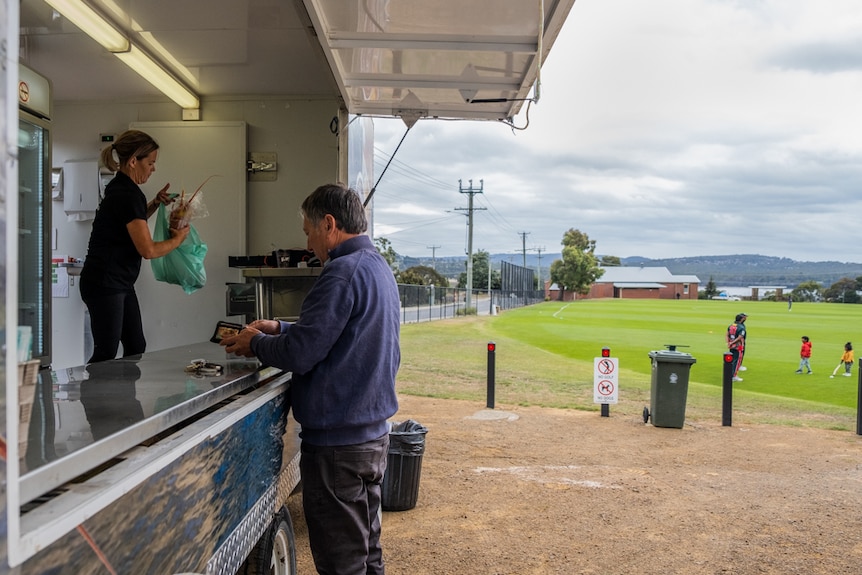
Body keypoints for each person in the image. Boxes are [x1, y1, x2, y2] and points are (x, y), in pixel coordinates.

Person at [220, 183, 400, 575]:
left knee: (342, 564)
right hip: (371, 439)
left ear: (329, 224)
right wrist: (281, 326)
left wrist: (257, 342)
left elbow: (302, 354)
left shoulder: (341, 271)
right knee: (367, 556)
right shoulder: (377, 266)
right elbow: (336, 330)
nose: (309, 241)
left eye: (308, 231)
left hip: (338, 447)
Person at [80, 130, 189, 363]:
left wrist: (155, 203)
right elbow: (148, 250)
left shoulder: (123, 189)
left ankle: (125, 398)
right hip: (105, 283)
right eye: (150, 163)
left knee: (135, 345)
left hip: (118, 282)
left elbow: (131, 221)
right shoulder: (126, 194)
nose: (153, 169)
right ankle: (94, 399)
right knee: (105, 353)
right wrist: (178, 240)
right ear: (133, 161)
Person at [726, 313, 747, 381]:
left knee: (732, 361)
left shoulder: (731, 326)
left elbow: (727, 334)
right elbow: (740, 337)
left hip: (732, 346)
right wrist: (732, 342)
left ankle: (730, 374)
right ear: (741, 319)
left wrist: (729, 343)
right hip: (738, 347)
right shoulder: (741, 327)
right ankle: (734, 376)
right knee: (737, 361)